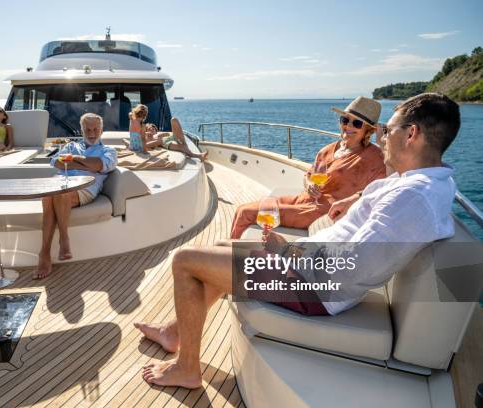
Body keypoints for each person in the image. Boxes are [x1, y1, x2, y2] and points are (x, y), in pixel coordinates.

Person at [135, 93, 460, 388]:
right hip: (312, 273)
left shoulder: (412, 198)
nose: (382, 138)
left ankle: (187, 367)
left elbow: (349, 267)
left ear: (412, 134)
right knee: (222, 249)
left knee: (185, 261)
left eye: (386, 131)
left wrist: (288, 251)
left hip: (315, 289)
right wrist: (354, 200)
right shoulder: (426, 183)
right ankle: (175, 333)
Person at [230, 96, 386, 237]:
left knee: (246, 213)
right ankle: (230, 255)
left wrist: (383, 144)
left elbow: (384, 186)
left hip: (321, 212)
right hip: (303, 200)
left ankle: (228, 262)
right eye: (345, 120)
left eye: (357, 123)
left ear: (368, 130)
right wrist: (310, 184)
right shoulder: (328, 150)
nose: (348, 126)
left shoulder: (375, 157)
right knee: (241, 209)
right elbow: (309, 176)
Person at [35, 113, 117, 279]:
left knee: (59, 192)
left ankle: (53, 247)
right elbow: (56, 162)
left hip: (84, 188)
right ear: (82, 129)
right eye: (88, 129)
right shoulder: (71, 146)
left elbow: (100, 165)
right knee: (51, 194)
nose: (92, 133)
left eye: (96, 129)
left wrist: (76, 159)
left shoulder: (108, 150)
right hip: (60, 185)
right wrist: (87, 163)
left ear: (101, 130)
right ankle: (52, 248)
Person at [144, 118, 209, 160]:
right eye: (149, 128)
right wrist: (148, 135)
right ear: (146, 131)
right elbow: (146, 145)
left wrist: (158, 135)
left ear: (156, 130)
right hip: (166, 142)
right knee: (182, 146)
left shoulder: (158, 134)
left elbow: (167, 134)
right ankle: (198, 155)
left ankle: (194, 154)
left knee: (174, 120)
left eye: (153, 128)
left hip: (172, 137)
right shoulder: (148, 137)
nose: (151, 129)